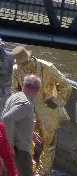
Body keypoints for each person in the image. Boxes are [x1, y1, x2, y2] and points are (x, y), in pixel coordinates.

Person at [11, 45, 71, 176]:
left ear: (31, 57)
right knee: (26, 143)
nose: (24, 67)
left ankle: (43, 172)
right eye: (21, 64)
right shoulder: (17, 69)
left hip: (48, 113)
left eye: (26, 62)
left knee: (49, 146)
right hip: (28, 113)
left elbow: (66, 86)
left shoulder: (47, 67)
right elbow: (14, 90)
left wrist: (56, 101)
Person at [2, 74, 42, 176]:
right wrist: (10, 145)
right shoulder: (26, 104)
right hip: (19, 151)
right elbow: (8, 118)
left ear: (23, 85)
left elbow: (16, 120)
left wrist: (31, 133)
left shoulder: (15, 97)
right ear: (37, 90)